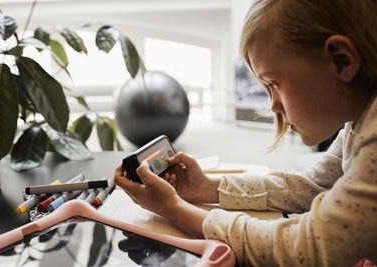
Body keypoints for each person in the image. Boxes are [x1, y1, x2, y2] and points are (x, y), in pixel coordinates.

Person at [113, 0, 377, 265]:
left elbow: (305, 248)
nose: (273, 105)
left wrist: (174, 209)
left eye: (274, 84)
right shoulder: (357, 122)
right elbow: (313, 186)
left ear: (341, 61)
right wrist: (206, 188)